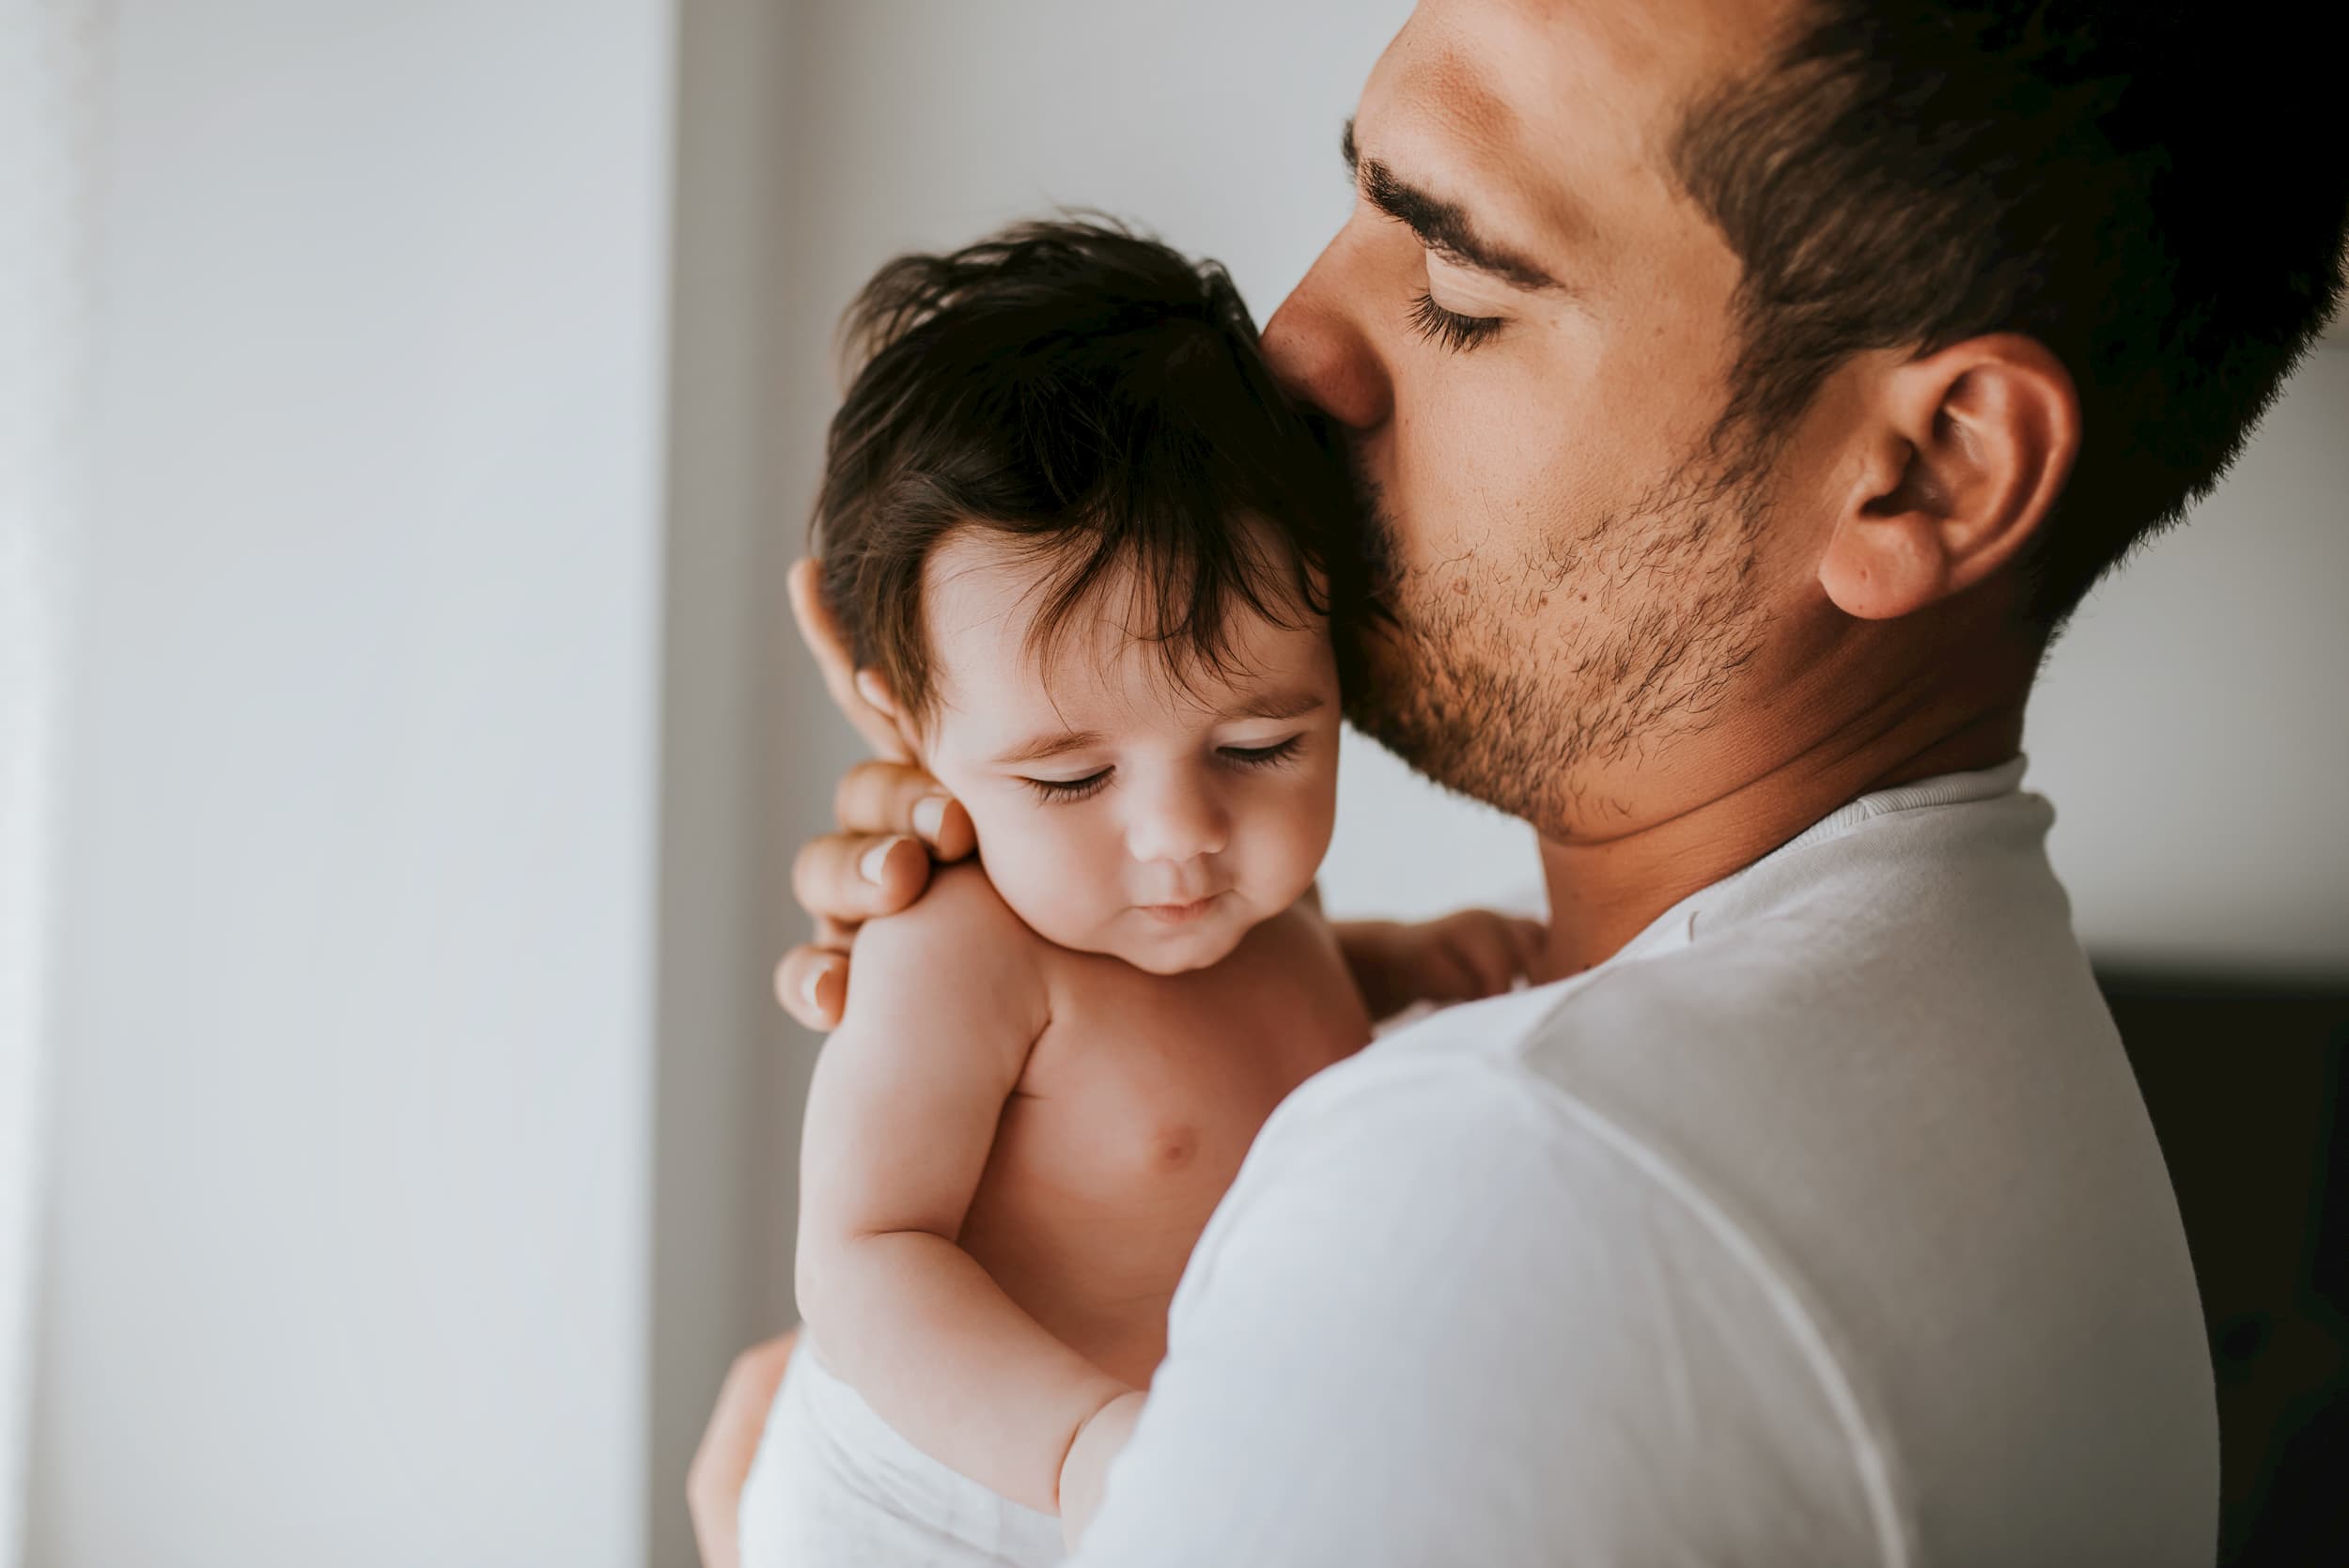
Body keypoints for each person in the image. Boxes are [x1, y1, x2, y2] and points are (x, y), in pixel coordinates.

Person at [696, 1, 2349, 1562]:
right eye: (1356, 200)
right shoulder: (1970, 1051)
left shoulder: (1525, 1191)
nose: (1286, 351)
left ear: (1923, 470)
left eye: (1463, 277)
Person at [735, 221, 1542, 1567]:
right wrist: (1073, 1442)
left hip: (1165, 1469)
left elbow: (1268, 1031)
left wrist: (1417, 962)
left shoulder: (1259, 907)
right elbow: (864, 1253)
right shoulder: (963, 951)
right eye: (1066, 779)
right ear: (909, 727)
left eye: (1257, 747)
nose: (1181, 835)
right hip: (945, 1488)